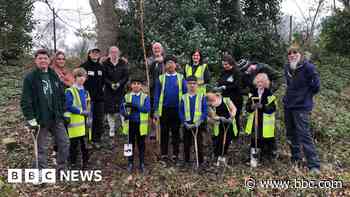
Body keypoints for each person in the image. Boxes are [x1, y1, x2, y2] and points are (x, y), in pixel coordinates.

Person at [20, 49, 69, 172]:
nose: (43, 60)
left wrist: (64, 111)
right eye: (40, 58)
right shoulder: (30, 78)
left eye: (45, 58)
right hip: (40, 119)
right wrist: (31, 119)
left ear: (49, 60)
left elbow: (62, 95)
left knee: (64, 143)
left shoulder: (53, 75)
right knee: (41, 148)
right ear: (36, 61)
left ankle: (61, 168)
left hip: (56, 117)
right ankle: (41, 172)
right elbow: (25, 101)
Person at [283, 44, 321, 174]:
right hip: (288, 105)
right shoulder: (287, 67)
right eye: (290, 53)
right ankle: (296, 158)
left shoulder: (308, 67)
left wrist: (305, 96)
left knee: (304, 135)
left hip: (302, 107)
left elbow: (316, 86)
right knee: (291, 133)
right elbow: (289, 85)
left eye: (295, 53)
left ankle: (314, 165)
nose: (292, 55)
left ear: (300, 54)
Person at [153, 55, 187, 163]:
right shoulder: (161, 78)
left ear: (176, 65)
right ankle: (163, 154)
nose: (170, 65)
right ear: (165, 65)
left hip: (177, 109)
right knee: (164, 132)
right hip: (164, 109)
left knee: (176, 132)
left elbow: (186, 94)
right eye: (168, 63)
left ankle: (175, 154)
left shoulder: (181, 78)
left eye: (172, 62)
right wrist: (156, 110)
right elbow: (157, 95)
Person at [245, 73, 277, 165]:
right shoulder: (252, 93)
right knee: (254, 139)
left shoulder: (269, 94)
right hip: (254, 121)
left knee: (266, 141)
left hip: (265, 123)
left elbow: (272, 109)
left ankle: (265, 159)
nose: (260, 83)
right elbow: (247, 107)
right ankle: (253, 159)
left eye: (262, 82)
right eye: (258, 81)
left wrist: (262, 106)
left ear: (265, 83)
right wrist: (251, 107)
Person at [120, 78, 150, 173]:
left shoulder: (145, 97)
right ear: (131, 85)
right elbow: (122, 108)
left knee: (141, 144)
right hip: (130, 124)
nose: (136, 85)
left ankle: (142, 163)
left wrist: (135, 106)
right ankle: (130, 163)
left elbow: (146, 109)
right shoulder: (127, 96)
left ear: (141, 86)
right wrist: (124, 113)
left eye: (138, 83)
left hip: (140, 124)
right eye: (134, 84)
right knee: (129, 144)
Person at [64, 68, 91, 169]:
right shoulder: (70, 91)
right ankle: (72, 162)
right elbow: (68, 106)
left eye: (83, 76)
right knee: (73, 144)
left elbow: (88, 107)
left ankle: (85, 162)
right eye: (79, 76)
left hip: (84, 123)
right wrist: (80, 112)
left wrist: (89, 119)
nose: (81, 79)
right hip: (74, 123)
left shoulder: (86, 92)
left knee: (85, 145)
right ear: (75, 78)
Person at [179, 76, 208, 168]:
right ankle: (187, 161)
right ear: (187, 85)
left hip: (198, 125)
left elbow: (205, 110)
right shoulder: (183, 97)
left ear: (197, 85)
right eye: (190, 83)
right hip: (187, 125)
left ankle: (201, 162)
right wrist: (184, 122)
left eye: (194, 83)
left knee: (199, 144)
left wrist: (200, 121)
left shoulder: (201, 96)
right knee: (186, 144)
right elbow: (180, 111)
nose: (192, 85)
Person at [80, 48, 105, 148]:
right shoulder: (84, 67)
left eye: (97, 53)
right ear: (89, 54)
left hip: (99, 98)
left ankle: (96, 140)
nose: (95, 54)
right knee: (88, 119)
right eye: (93, 52)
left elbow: (103, 81)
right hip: (88, 99)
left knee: (99, 119)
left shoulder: (101, 67)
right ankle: (87, 140)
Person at [103, 46, 129, 138]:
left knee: (123, 110)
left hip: (121, 90)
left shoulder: (123, 63)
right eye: (112, 52)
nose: (114, 54)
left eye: (116, 52)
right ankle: (112, 129)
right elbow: (104, 77)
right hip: (109, 90)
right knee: (110, 111)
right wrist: (110, 84)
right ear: (109, 53)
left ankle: (125, 128)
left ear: (119, 53)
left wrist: (119, 83)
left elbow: (126, 76)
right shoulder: (105, 63)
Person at [207, 91, 237, 163]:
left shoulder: (226, 99)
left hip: (229, 123)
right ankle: (218, 156)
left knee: (228, 139)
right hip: (219, 124)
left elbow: (234, 109)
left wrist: (232, 116)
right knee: (219, 140)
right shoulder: (209, 104)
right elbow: (212, 116)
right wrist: (220, 118)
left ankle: (223, 155)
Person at [215, 54, 243, 134]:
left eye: (226, 64)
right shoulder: (223, 72)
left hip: (235, 98)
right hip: (225, 98)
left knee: (234, 117)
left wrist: (225, 87)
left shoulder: (236, 72)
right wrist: (218, 88)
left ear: (231, 63)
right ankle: (226, 133)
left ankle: (235, 134)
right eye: (223, 64)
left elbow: (237, 85)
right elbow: (219, 82)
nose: (225, 66)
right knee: (225, 116)